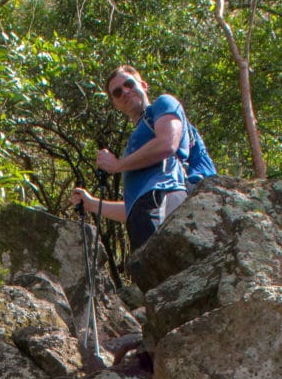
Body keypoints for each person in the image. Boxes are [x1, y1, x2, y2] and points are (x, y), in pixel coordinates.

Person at [71, 67, 213, 249]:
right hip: (144, 212)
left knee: (165, 264)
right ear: (115, 104)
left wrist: (117, 165)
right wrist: (91, 204)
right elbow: (132, 205)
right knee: (158, 273)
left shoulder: (163, 104)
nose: (125, 92)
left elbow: (167, 144)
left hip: (167, 195)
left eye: (129, 84)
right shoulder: (135, 145)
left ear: (143, 85)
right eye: (117, 92)